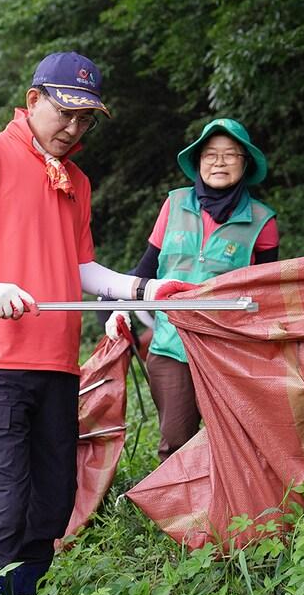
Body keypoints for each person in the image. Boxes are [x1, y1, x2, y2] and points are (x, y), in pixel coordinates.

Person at [0, 51, 190, 595]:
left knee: (53, 502)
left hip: (59, 367)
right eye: (65, 112)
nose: (74, 127)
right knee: (7, 500)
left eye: (86, 119)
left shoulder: (75, 181)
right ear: (33, 100)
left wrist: (145, 287)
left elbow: (80, 267)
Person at [108, 118, 279, 460]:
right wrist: (120, 308)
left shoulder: (262, 219)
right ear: (198, 161)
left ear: (245, 163)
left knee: (233, 444)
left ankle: (228, 496)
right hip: (172, 344)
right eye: (210, 154)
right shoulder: (174, 204)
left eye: (230, 154)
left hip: (229, 349)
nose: (219, 162)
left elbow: (267, 293)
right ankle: (174, 497)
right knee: (175, 443)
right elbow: (146, 268)